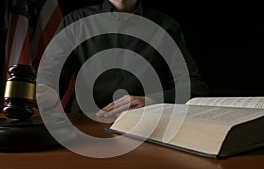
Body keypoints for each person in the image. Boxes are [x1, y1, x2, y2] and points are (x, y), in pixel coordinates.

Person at [37, 0, 209, 118]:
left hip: (148, 128)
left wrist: (150, 101)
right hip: (85, 126)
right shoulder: (75, 22)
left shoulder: (166, 27)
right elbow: (50, 78)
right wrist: (44, 92)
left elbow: (194, 88)